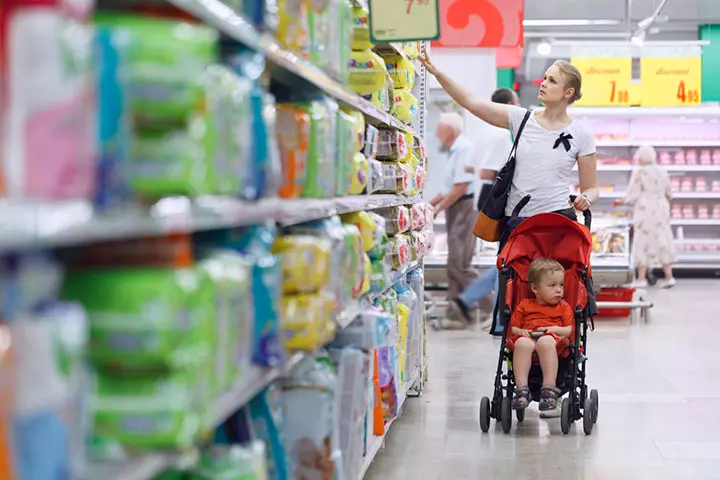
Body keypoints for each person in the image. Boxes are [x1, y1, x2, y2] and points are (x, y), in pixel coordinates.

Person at [419, 54, 599, 332]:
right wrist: (436, 72)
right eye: (545, 77)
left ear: (568, 92)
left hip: (558, 225)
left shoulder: (581, 133)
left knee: (554, 296)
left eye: (552, 80)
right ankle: (518, 353)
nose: (543, 83)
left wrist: (587, 197)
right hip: (519, 227)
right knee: (517, 299)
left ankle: (556, 351)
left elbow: (591, 186)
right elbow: (470, 101)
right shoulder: (521, 119)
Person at [444, 88, 521, 330]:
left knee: (505, 255)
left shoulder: (483, 132)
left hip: (485, 193)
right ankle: (496, 316)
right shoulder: (503, 132)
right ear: (509, 104)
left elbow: (471, 168)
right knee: (508, 255)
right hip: (501, 193)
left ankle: (474, 304)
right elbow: (502, 167)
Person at [506, 258, 574, 411]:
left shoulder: (563, 307)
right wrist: (522, 332)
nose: (558, 290)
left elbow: (569, 330)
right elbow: (514, 328)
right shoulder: (524, 305)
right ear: (535, 288)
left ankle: (549, 388)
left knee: (545, 342)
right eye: (552, 286)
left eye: (561, 285)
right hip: (529, 336)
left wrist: (553, 329)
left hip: (553, 339)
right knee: (521, 343)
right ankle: (522, 389)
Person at [430, 112, 478, 301]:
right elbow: (448, 188)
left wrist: (438, 208)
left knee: (459, 264)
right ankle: (456, 315)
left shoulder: (463, 149)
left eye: (439, 130)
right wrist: (430, 204)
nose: (436, 135)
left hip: (465, 207)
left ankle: (489, 305)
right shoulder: (454, 151)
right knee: (455, 263)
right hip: (457, 207)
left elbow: (461, 186)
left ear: (450, 130)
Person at [616, 145, 676, 288]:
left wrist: (622, 201)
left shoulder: (640, 172)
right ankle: (669, 277)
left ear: (642, 158)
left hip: (645, 209)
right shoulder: (663, 171)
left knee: (642, 242)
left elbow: (633, 195)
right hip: (661, 209)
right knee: (663, 240)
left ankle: (641, 278)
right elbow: (669, 193)